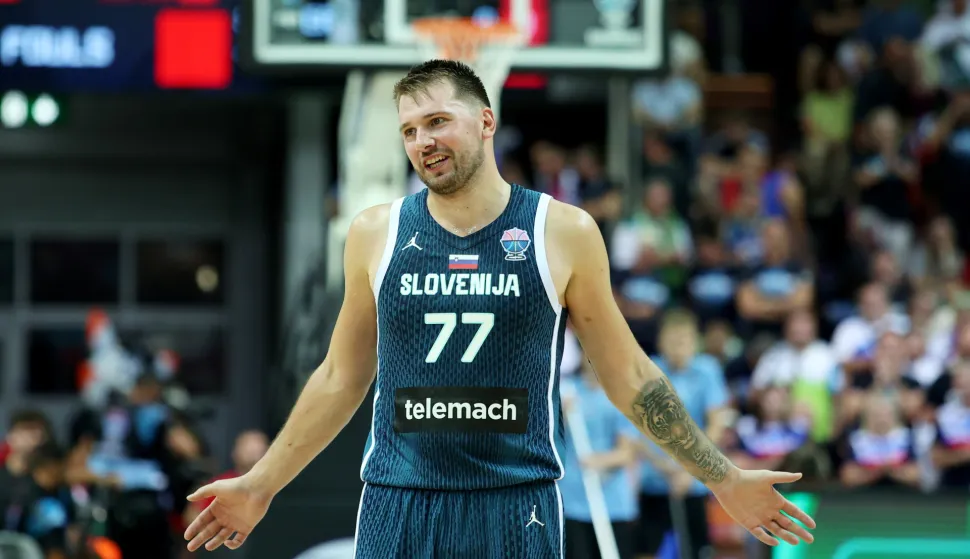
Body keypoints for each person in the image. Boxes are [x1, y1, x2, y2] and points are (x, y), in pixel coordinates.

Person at [182, 60, 817, 557]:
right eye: (408, 129)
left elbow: (629, 375)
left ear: (486, 122)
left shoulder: (560, 230)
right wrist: (258, 484)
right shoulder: (374, 232)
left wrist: (722, 476)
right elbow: (340, 377)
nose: (422, 141)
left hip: (517, 503)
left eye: (436, 121)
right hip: (398, 502)